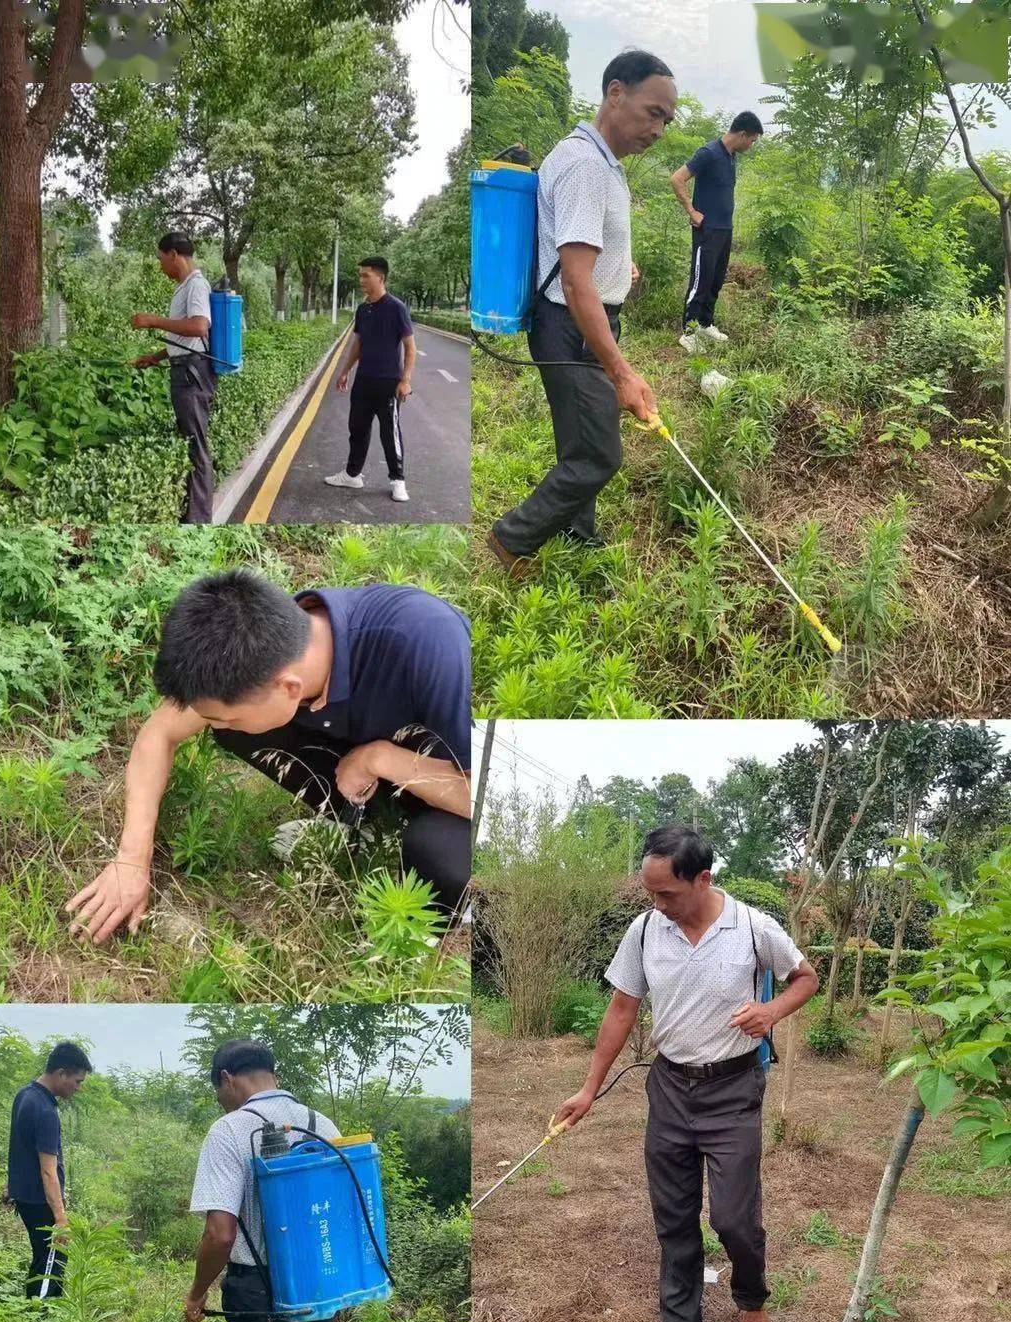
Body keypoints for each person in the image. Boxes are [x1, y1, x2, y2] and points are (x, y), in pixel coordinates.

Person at [64, 570, 471, 942]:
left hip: (461, 786)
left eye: (224, 716)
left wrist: (379, 759)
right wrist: (132, 860)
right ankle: (362, 826)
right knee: (242, 730)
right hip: (375, 763)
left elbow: (485, 793)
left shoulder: (428, 642)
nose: (217, 725)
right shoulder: (261, 651)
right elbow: (158, 733)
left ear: (289, 687)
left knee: (438, 855)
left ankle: (427, 920)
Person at [556, 825, 818, 1322]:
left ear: (703, 879)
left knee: (733, 1217)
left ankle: (750, 1297)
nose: (658, 905)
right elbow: (622, 1010)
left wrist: (770, 1011)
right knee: (673, 1214)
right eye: (650, 894)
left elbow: (806, 979)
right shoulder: (647, 930)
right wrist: (588, 1089)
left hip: (734, 1088)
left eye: (667, 894)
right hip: (670, 1087)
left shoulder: (752, 926)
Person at [486, 50, 676, 569]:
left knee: (582, 438)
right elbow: (574, 282)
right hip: (570, 328)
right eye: (654, 112)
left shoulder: (603, 163)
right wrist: (622, 373)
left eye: (668, 119)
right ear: (616, 93)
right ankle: (511, 541)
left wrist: (620, 269)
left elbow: (584, 253)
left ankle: (576, 530)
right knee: (599, 454)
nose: (659, 128)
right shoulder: (586, 165)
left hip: (584, 321)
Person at [185, 1039, 342, 1322]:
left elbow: (220, 1234)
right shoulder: (322, 1125)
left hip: (259, 1294)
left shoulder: (230, 1130)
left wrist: (197, 1292)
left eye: (218, 1092)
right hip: (321, 1288)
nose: (221, 1101)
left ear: (227, 1079)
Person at [129, 232, 216, 524]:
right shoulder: (184, 288)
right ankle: (194, 510)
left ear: (174, 255)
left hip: (192, 375)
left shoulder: (196, 286)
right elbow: (185, 338)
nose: (160, 265)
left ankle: (199, 519)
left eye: (161, 259)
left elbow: (199, 327)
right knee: (191, 441)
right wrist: (155, 356)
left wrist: (153, 320)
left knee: (197, 447)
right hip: (186, 368)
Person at [325, 257, 416, 503]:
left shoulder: (396, 308)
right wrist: (345, 371)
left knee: (390, 434)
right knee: (357, 429)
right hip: (363, 382)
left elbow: (410, 348)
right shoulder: (363, 309)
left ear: (380, 278)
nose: (361, 280)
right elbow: (358, 343)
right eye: (360, 275)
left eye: (366, 275)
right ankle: (352, 475)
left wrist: (405, 381)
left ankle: (398, 481)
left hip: (388, 384)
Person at [6, 1042, 92, 1300]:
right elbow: (48, 1172)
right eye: (77, 1081)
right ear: (61, 1073)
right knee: (51, 1262)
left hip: (26, 1196)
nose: (78, 1088)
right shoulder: (45, 1110)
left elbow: (19, 1147)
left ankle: (37, 1315)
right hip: (40, 1200)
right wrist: (60, 1217)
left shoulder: (25, 1094)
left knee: (43, 1257)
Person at [671, 112, 763, 352]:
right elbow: (677, 179)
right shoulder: (708, 153)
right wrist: (691, 211)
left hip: (725, 229)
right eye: (752, 141)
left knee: (715, 279)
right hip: (707, 230)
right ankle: (689, 332)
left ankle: (705, 323)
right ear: (742, 135)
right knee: (700, 280)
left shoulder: (731, 157)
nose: (752, 146)